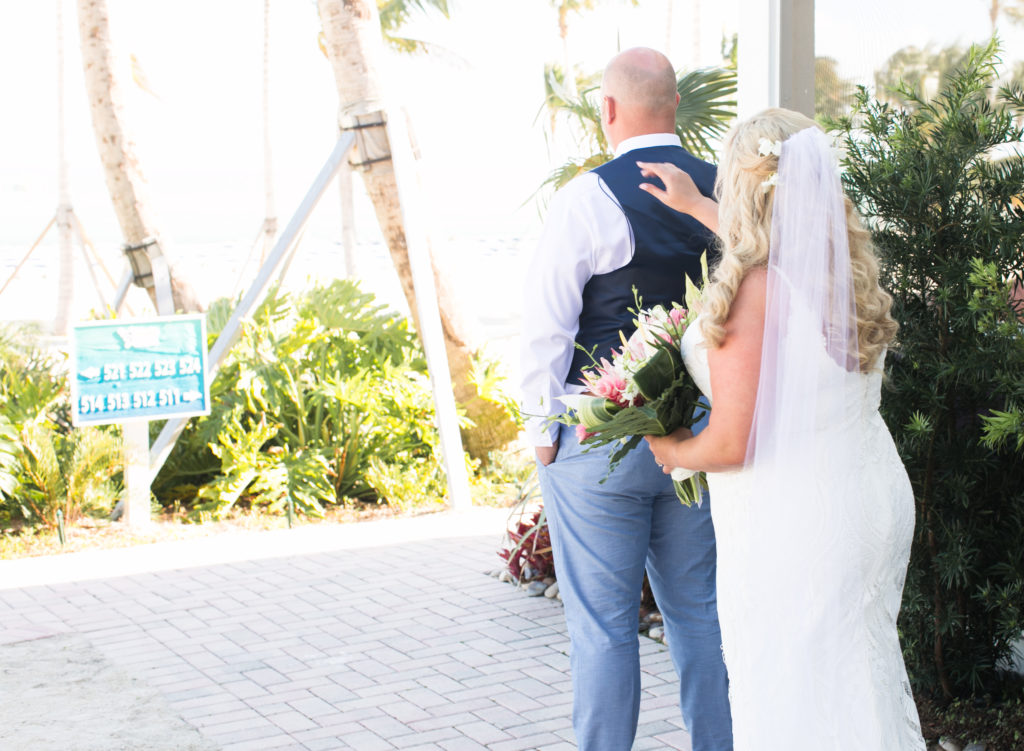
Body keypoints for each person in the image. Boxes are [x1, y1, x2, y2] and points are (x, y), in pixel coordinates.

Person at [639, 108, 927, 750]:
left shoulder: (754, 292)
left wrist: (670, 448)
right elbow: (773, 253)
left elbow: (734, 441)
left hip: (798, 522)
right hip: (869, 502)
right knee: (854, 683)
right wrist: (693, 209)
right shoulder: (841, 274)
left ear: (742, 188)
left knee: (792, 693)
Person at [520, 47, 733, 751]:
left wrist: (542, 435)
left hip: (602, 444)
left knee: (604, 626)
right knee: (700, 613)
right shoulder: (723, 188)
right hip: (700, 437)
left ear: (607, 111)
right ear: (675, 105)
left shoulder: (589, 196)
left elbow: (547, 326)